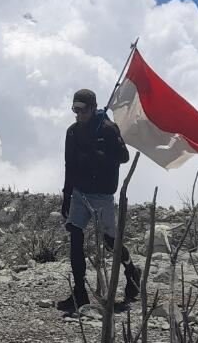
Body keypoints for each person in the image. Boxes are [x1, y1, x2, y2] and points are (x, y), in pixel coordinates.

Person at [57, 88, 141, 312]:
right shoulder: (72, 132)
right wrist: (66, 196)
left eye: (82, 109)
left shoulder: (108, 129)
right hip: (79, 193)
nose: (78, 114)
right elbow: (69, 165)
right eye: (74, 109)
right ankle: (80, 293)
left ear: (93, 108)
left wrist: (99, 153)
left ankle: (131, 272)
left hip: (102, 194)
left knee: (110, 242)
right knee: (75, 236)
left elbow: (124, 157)